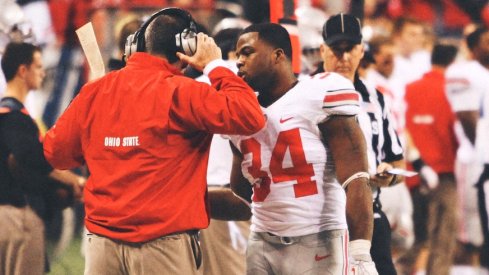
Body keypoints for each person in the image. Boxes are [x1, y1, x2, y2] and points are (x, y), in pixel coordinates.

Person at [42, 8, 265, 275]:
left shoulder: (95, 91)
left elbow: (55, 153)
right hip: (162, 248)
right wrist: (215, 66)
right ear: (187, 47)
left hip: (100, 247)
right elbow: (250, 116)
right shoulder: (183, 92)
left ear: (138, 45)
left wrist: (102, 144)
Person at [231, 22, 376, 274]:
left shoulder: (319, 92)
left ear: (278, 55)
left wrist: (360, 252)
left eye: (247, 52)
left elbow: (356, 178)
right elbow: (241, 189)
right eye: (237, 55)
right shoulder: (240, 111)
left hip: (318, 239)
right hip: (262, 240)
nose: (239, 62)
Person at [316, 13, 404, 275]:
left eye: (350, 49)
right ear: (322, 50)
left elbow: (397, 160)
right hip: (324, 218)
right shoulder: (304, 92)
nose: (343, 58)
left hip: (370, 213)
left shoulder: (376, 98)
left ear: (361, 51)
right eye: (336, 49)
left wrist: (389, 174)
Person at [0, 42, 84, 275]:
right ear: (22, 70)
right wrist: (73, 182)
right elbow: (31, 160)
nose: (43, 72)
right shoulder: (15, 118)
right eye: (38, 66)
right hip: (17, 219)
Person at [445, 27, 489, 272]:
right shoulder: (464, 72)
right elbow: (466, 115)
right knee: (473, 231)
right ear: (472, 48)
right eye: (487, 41)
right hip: (475, 160)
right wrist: (484, 153)